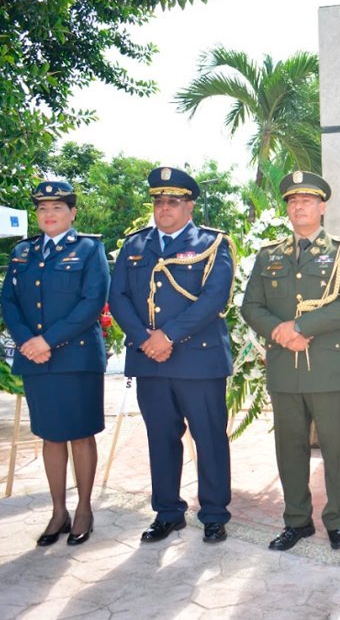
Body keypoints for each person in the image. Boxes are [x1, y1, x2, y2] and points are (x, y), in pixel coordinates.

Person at [240, 171, 340, 552]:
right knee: (290, 448)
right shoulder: (269, 255)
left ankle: (336, 521)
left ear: (322, 207)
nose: (299, 207)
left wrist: (298, 325)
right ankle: (297, 521)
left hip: (329, 368)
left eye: (307, 201)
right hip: (285, 369)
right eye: (293, 201)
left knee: (335, 450)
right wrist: (281, 333)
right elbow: (251, 306)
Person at [109, 167, 235, 545]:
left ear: (190, 205)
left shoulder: (212, 243)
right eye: (158, 201)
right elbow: (118, 298)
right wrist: (145, 339)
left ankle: (214, 514)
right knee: (161, 438)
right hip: (151, 360)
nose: (164, 208)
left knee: (209, 437)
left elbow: (215, 297)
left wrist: (168, 336)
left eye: (173, 201)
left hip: (198, 360)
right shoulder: (134, 246)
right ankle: (167, 512)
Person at [1, 181, 109, 547]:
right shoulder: (23, 252)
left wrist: (47, 340)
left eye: (57, 208)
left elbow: (92, 302)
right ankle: (58, 510)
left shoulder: (89, 250)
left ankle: (84, 509)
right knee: (49, 435)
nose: (49, 214)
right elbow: (9, 302)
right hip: (36, 359)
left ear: (72, 212)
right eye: (43, 208)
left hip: (76, 358)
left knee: (80, 433)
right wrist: (27, 342)